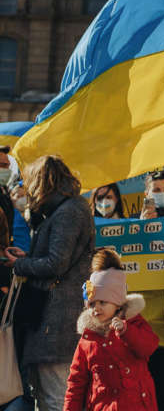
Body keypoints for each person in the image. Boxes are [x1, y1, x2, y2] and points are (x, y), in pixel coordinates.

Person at [3, 155, 94, 411]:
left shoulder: (68, 212)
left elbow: (56, 263)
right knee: (50, 393)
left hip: (57, 318)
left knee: (56, 396)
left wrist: (20, 265)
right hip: (52, 316)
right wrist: (28, 258)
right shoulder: (63, 210)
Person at [64, 249, 159, 411]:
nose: (96, 309)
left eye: (103, 302)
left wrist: (126, 332)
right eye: (92, 304)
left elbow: (149, 346)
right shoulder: (88, 338)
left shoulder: (134, 322)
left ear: (118, 303)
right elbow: (76, 382)